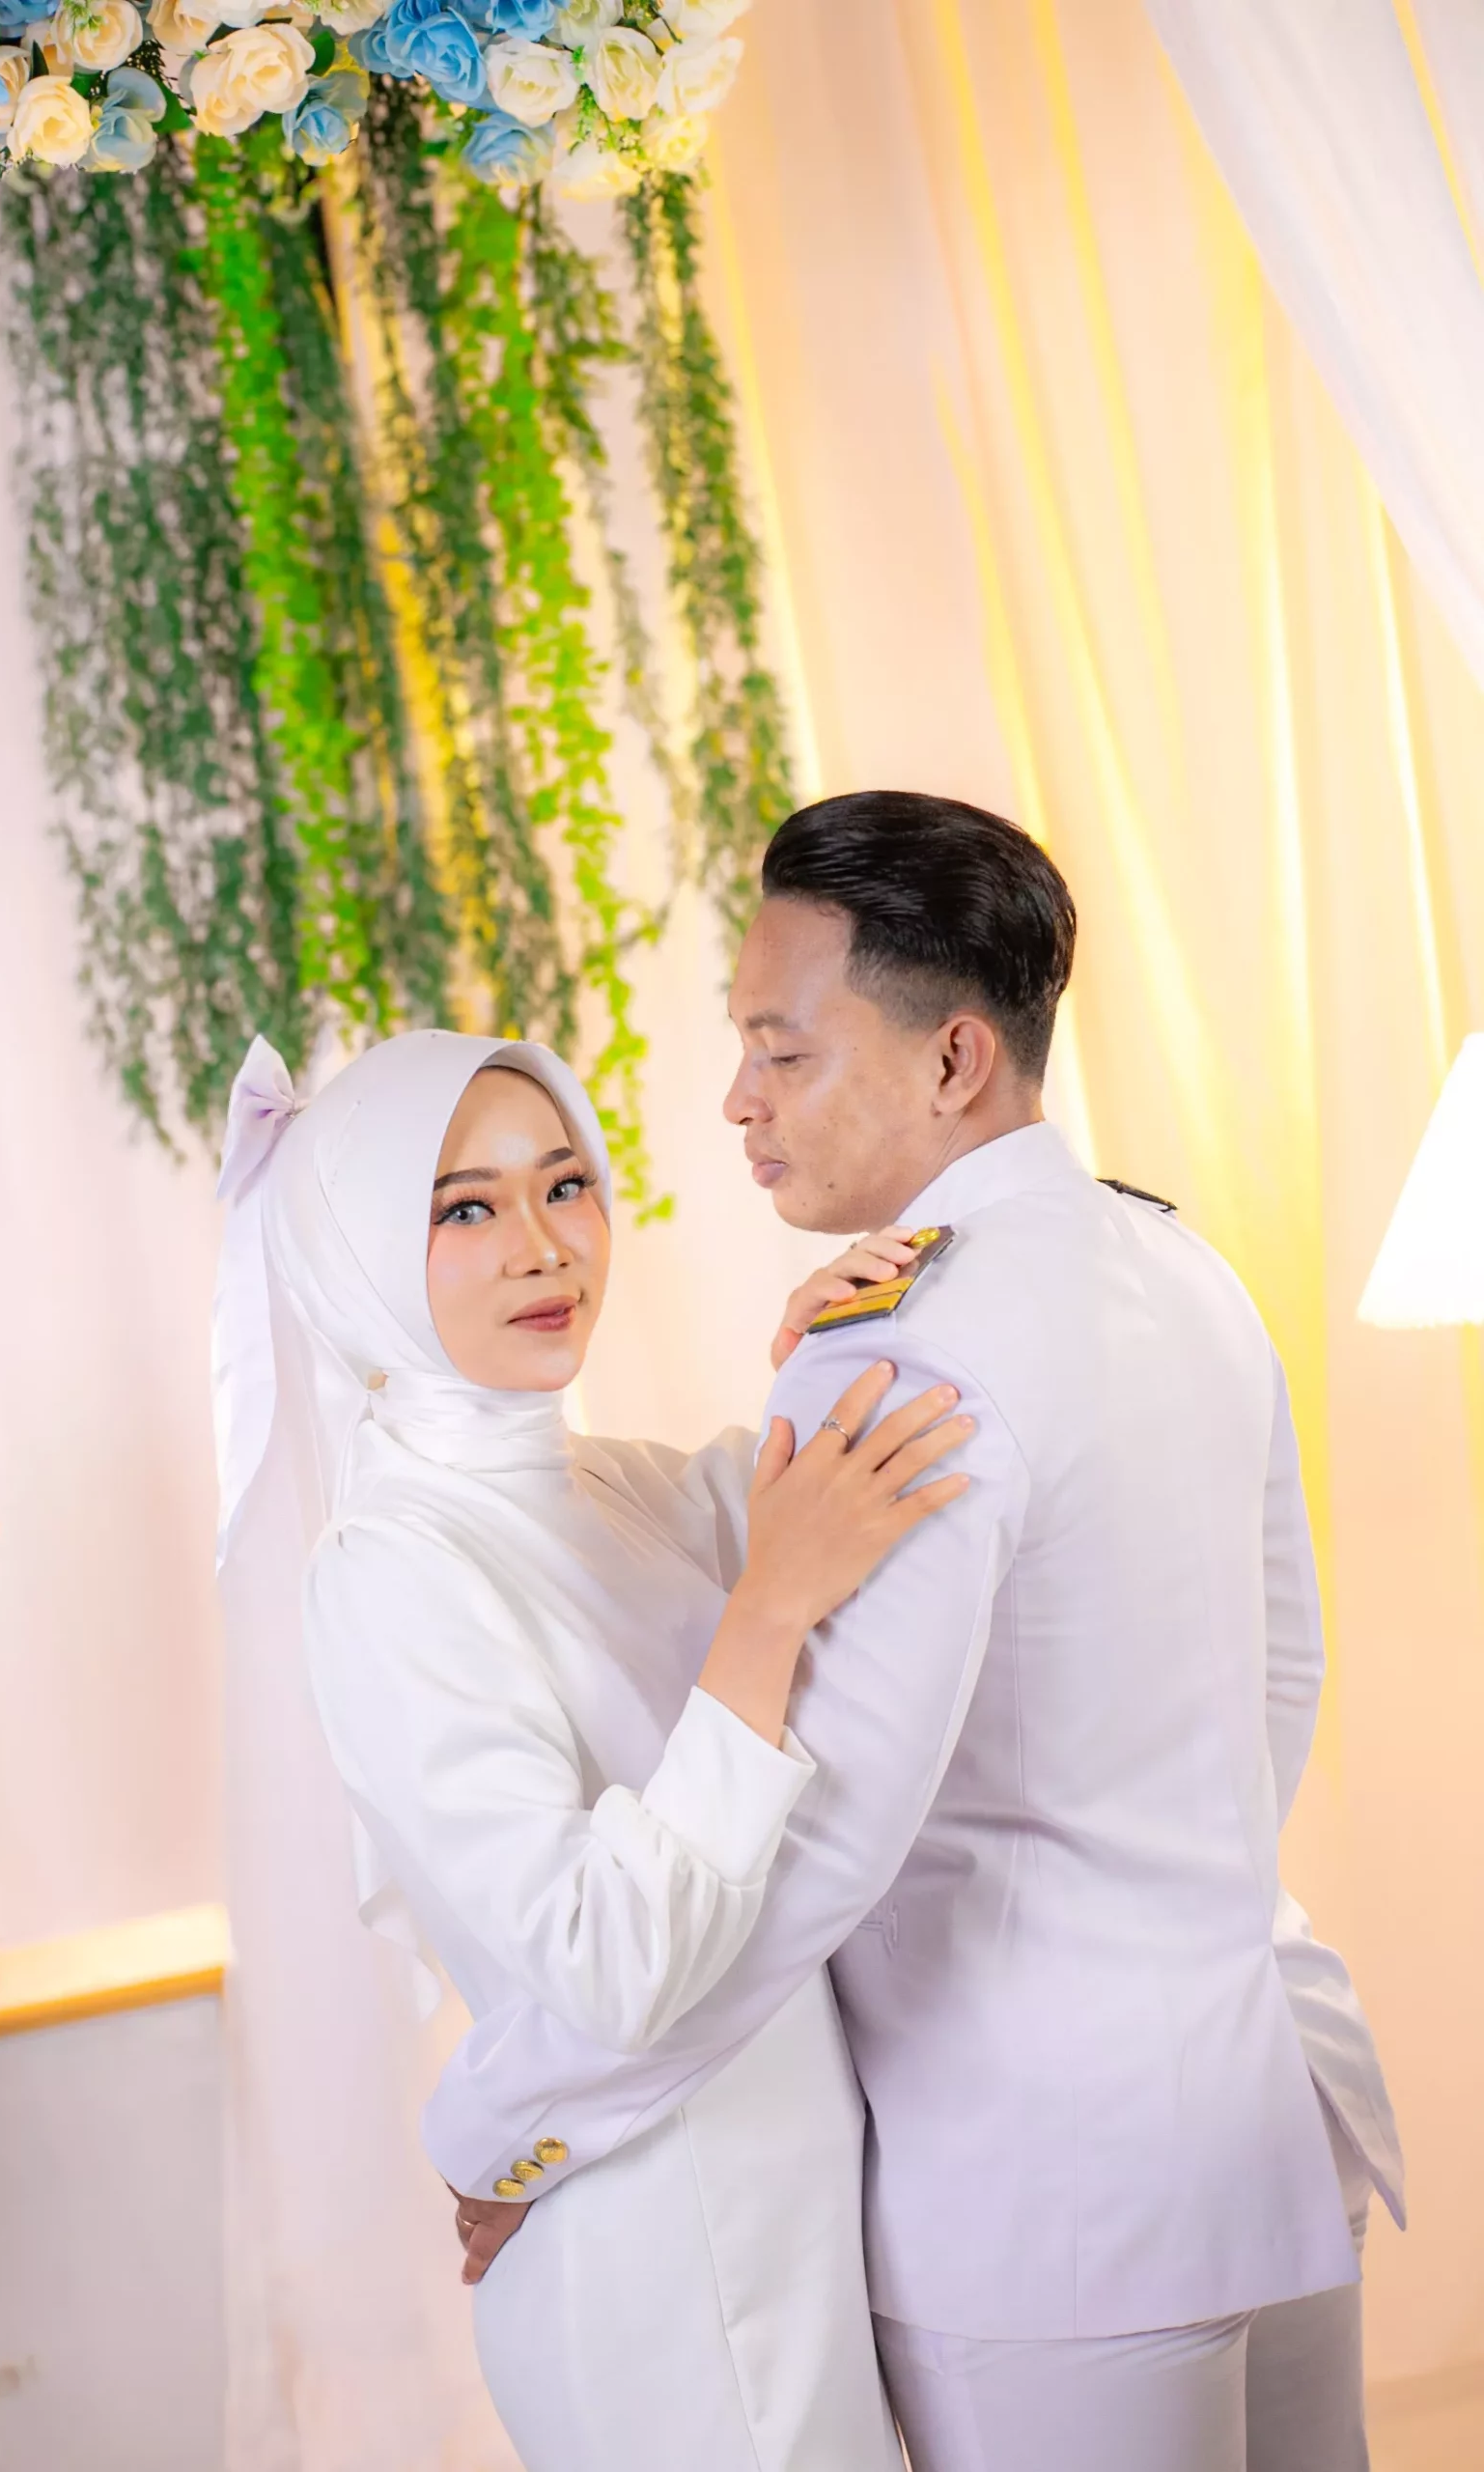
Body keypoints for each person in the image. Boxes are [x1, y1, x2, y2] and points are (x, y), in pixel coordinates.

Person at [425, 792, 1403, 2472]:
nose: (736, 1099)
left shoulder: (900, 1350)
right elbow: (1278, 1674)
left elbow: (816, 1844)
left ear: (953, 1057)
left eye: (781, 1049)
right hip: (1262, 2103)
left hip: (1050, 2184)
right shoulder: (1180, 1265)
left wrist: (514, 2121)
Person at [213, 1023, 975, 2472]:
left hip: (779, 2205)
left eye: (565, 1184)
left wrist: (834, 1348)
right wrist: (766, 1613)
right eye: (464, 1209)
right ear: (356, 1256)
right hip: (662, 2262)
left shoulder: (611, 1488)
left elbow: (830, 1506)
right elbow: (604, 1960)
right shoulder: (391, 1568)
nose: (543, 1246)